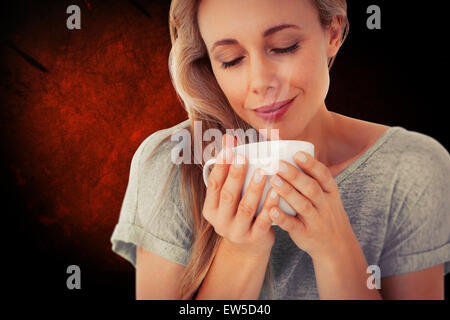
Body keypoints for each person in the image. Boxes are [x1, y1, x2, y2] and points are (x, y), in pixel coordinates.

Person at [110, 0, 450, 299]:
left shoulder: (412, 167)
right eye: (231, 60)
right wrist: (242, 254)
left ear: (333, 32)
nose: (261, 82)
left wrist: (335, 251)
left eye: (284, 46)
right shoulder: (174, 163)